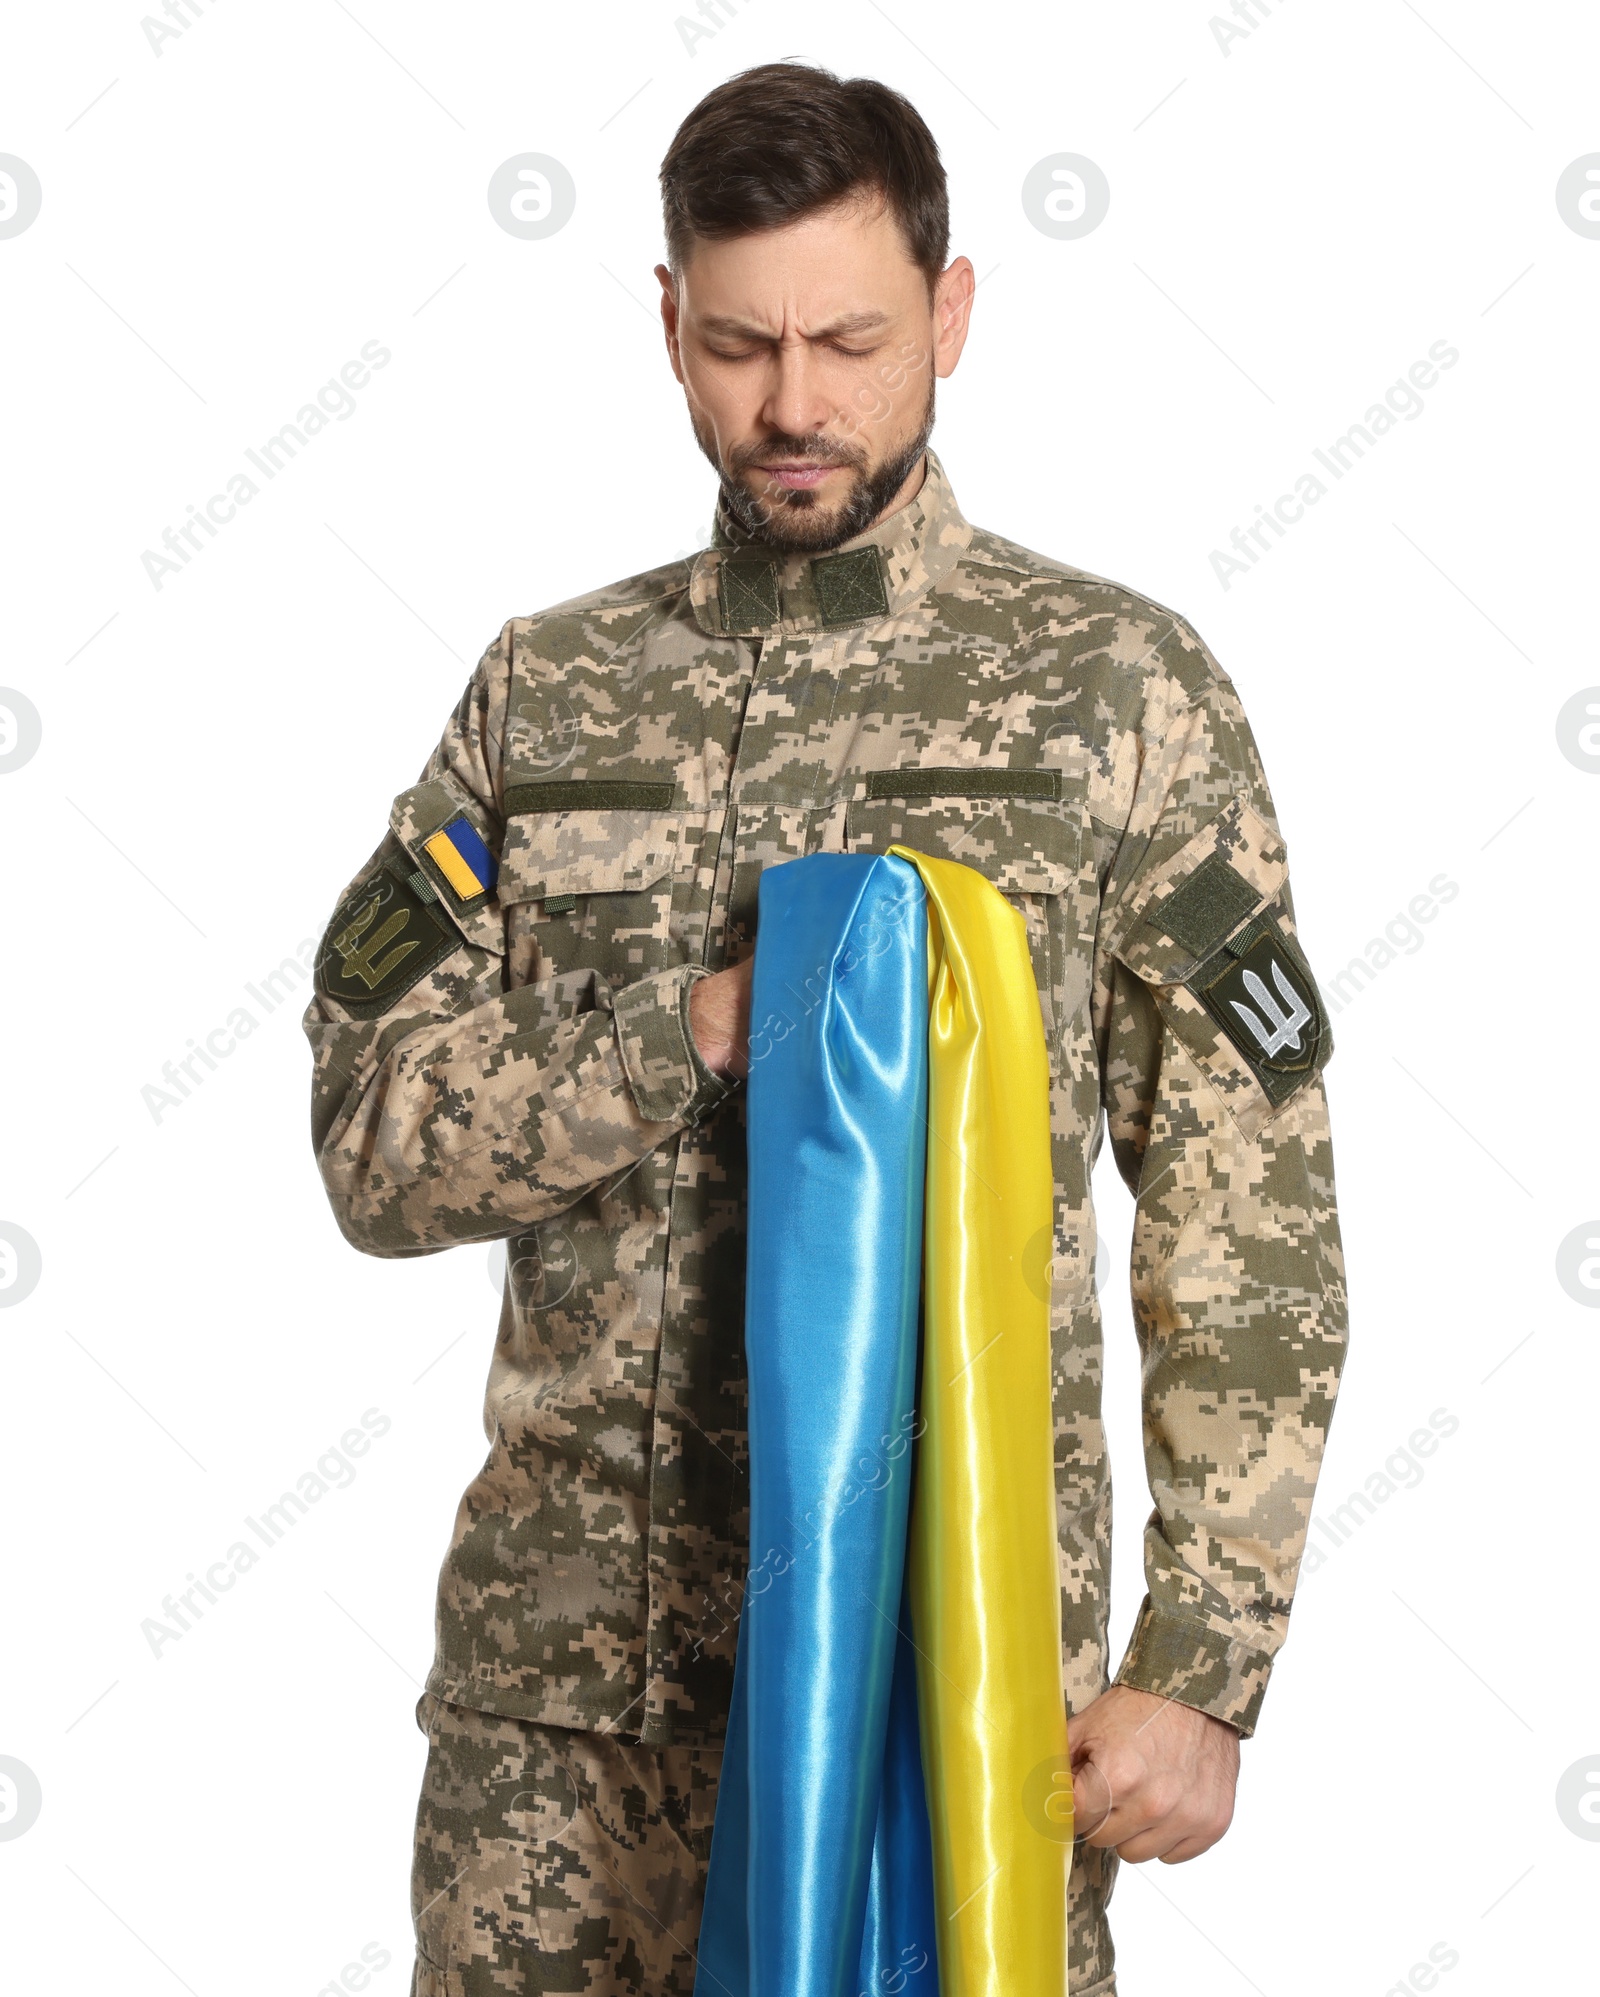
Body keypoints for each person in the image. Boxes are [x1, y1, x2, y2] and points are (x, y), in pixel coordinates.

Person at [303, 60, 1347, 1997]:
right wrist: (690, 1029)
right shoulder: (547, 698)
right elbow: (373, 1143)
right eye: (738, 343)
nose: (791, 405)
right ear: (668, 327)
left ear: (949, 316)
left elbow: (1246, 1211)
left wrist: (1201, 1659)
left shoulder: (1115, 694)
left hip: (934, 1696)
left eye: (851, 340)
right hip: (569, 1731)